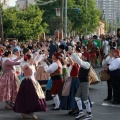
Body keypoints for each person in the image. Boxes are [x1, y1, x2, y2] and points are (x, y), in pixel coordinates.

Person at [13, 54, 47, 119]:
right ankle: (25, 112)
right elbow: (25, 67)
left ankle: (30, 112)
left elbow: (37, 60)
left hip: (33, 81)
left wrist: (39, 55)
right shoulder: (25, 64)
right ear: (28, 59)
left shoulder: (31, 64)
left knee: (33, 96)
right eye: (31, 58)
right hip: (27, 81)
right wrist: (33, 57)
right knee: (27, 97)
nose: (33, 60)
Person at [68, 49, 92, 120]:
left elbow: (79, 61)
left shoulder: (87, 64)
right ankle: (81, 112)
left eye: (83, 56)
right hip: (81, 82)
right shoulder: (84, 63)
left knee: (85, 99)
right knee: (77, 97)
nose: (81, 56)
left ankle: (89, 115)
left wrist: (72, 53)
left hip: (85, 83)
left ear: (86, 57)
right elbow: (77, 61)